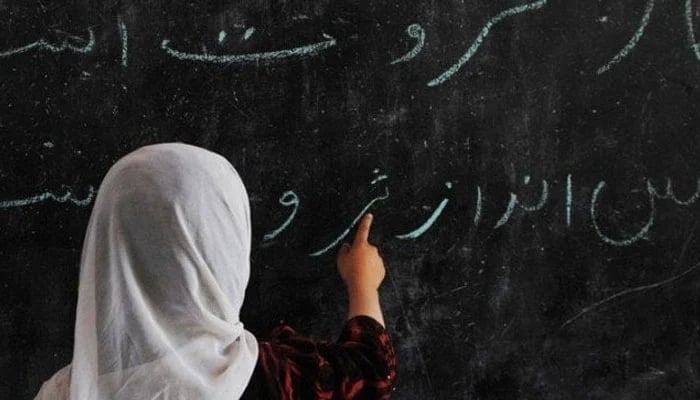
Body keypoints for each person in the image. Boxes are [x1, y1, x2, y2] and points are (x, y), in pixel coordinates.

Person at [34, 143, 397, 400]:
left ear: (109, 240)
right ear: (226, 244)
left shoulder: (68, 393)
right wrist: (363, 284)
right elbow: (370, 374)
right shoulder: (274, 379)